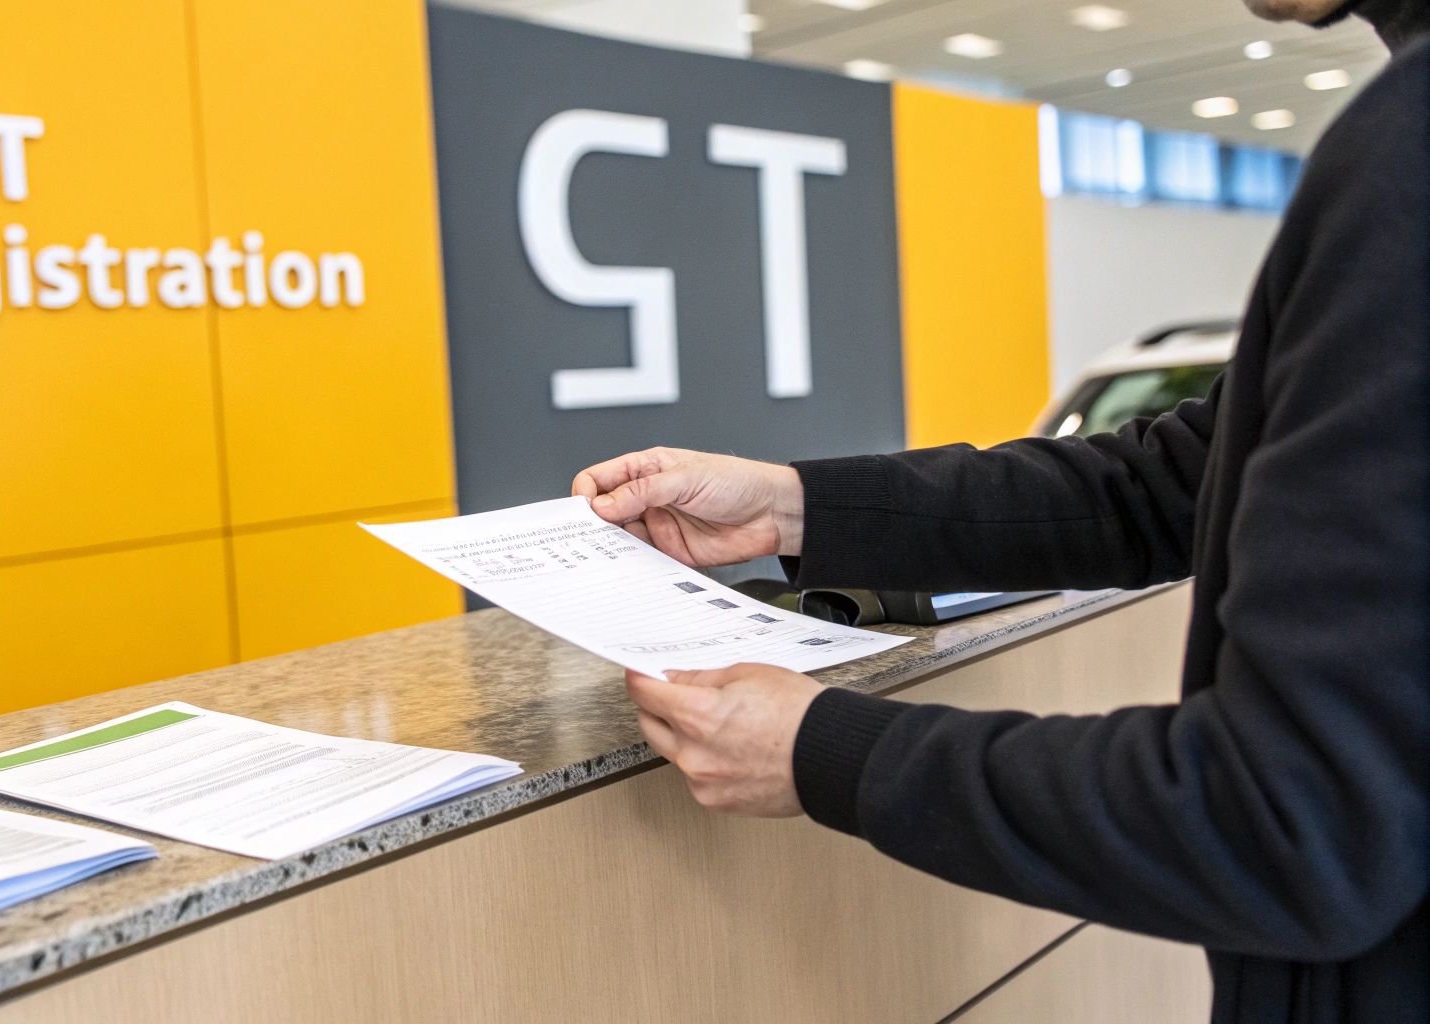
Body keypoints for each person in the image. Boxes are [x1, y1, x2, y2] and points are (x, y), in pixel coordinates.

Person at [574, 3, 1427, 1022]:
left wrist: (826, 750)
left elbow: (1289, 819)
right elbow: (1163, 481)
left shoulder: (1404, 155)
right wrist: (793, 506)